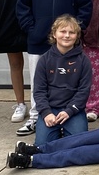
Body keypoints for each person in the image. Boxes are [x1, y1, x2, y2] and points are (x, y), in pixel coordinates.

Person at [15, 0, 93, 135]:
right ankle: (36, 117)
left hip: (67, 45)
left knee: (68, 81)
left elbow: (86, 7)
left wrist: (75, 32)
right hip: (38, 41)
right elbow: (22, 6)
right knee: (37, 81)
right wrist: (31, 29)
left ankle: (67, 116)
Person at [32, 15, 91, 147]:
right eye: (63, 31)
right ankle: (55, 133)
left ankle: (67, 132)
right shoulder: (44, 60)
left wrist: (70, 111)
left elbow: (84, 91)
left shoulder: (84, 60)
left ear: (77, 36)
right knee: (42, 146)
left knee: (78, 146)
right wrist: (46, 113)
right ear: (54, 34)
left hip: (73, 111)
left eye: (71, 32)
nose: (67, 36)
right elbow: (39, 91)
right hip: (50, 110)